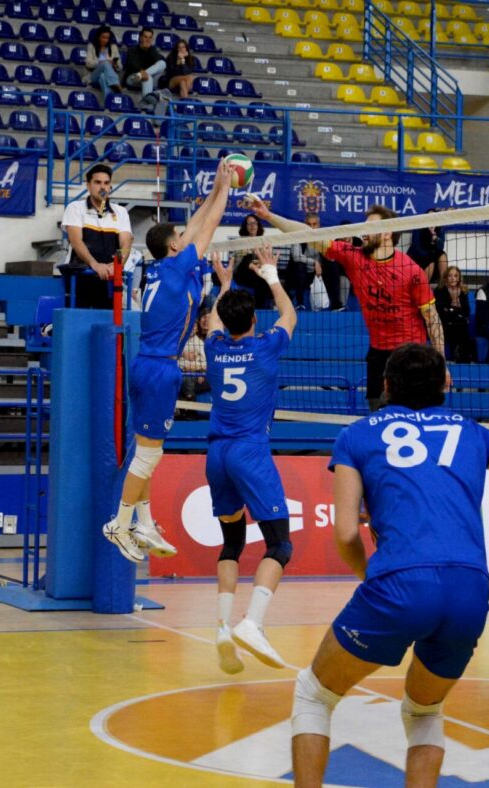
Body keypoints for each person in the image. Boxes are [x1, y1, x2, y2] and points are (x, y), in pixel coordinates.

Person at [290, 343, 489, 787]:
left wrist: (374, 579)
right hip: (469, 589)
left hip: (398, 585)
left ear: (386, 385)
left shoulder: (356, 435)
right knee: (424, 710)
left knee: (314, 694)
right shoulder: (472, 432)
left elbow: (347, 533)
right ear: (446, 383)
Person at [102, 157, 235, 562]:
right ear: (175, 246)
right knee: (149, 455)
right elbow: (208, 226)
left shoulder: (161, 268)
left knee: (146, 451)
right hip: (160, 368)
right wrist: (227, 189)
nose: (185, 236)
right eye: (180, 236)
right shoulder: (178, 267)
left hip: (146, 363)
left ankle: (143, 521)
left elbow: (195, 225)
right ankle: (119, 523)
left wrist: (214, 189)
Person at [246, 197, 446, 411]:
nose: (363, 232)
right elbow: (308, 234)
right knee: (377, 414)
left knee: (414, 415)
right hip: (378, 354)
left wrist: (441, 365)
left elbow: (432, 318)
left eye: (370, 227)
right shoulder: (354, 258)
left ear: (387, 232)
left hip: (411, 354)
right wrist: (268, 215)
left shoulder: (411, 270)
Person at [204, 244, 297, 673]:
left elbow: (212, 321)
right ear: (255, 320)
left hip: (216, 454)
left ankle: (224, 627)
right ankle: (252, 624)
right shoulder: (265, 347)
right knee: (280, 544)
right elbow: (290, 315)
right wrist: (272, 274)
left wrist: (224, 284)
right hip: (249, 452)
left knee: (232, 542)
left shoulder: (214, 346)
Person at [60, 163, 133, 309]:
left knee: (109, 321)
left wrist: (118, 264)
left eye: (106, 183)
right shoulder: (75, 208)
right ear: (88, 185)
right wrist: (95, 265)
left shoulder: (121, 212)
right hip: (79, 278)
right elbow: (76, 241)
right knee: (78, 320)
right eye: (97, 182)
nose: (102, 187)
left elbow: (126, 242)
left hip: (109, 281)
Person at [434, 265, 476, 362]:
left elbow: (466, 311)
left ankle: (464, 357)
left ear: (459, 278)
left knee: (462, 325)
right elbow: (440, 311)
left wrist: (451, 310)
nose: (453, 278)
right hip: (443, 323)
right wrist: (455, 311)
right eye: (450, 276)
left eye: (455, 276)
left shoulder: (463, 291)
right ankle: (457, 355)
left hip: (459, 323)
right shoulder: (439, 290)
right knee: (457, 325)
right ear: (446, 277)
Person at [232, 213, 274, 309]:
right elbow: (238, 263)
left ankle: (262, 309)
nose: (252, 226)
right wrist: (252, 262)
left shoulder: (264, 242)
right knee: (247, 258)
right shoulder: (240, 242)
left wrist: (258, 263)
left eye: (255, 223)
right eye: (249, 223)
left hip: (258, 272)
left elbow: (268, 260)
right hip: (243, 273)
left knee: (264, 278)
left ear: (258, 225)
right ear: (245, 226)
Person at [406, 209, 448, 286]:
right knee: (430, 261)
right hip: (417, 257)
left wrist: (434, 235)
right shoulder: (418, 228)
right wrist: (430, 255)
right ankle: (424, 288)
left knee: (443, 255)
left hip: (431, 256)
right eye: (429, 217)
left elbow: (440, 248)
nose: (431, 219)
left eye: (433, 217)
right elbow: (416, 248)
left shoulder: (440, 229)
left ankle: (442, 286)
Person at [179, 305, 211, 405]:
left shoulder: (199, 342)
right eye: (204, 317)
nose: (192, 328)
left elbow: (206, 363)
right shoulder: (179, 342)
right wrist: (183, 358)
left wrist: (200, 372)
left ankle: (189, 400)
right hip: (183, 371)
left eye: (194, 326)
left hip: (198, 373)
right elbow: (175, 360)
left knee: (189, 379)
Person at [123, 27, 166, 99]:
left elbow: (160, 61)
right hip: (133, 78)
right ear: (140, 38)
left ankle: (146, 102)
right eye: (145, 37)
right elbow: (132, 66)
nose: (148, 40)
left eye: (150, 37)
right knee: (147, 78)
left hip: (146, 77)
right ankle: (147, 102)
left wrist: (149, 50)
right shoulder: (132, 50)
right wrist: (141, 72)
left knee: (162, 63)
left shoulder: (152, 50)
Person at [85, 25, 122, 100]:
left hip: (107, 76)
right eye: (103, 37)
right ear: (98, 37)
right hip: (94, 75)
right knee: (105, 63)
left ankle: (108, 100)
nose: (106, 40)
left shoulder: (113, 47)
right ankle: (115, 83)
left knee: (103, 76)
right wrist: (101, 62)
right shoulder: (91, 46)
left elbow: (120, 67)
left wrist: (115, 65)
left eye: (107, 38)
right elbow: (88, 64)